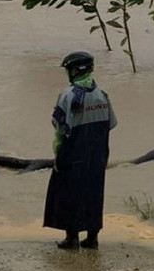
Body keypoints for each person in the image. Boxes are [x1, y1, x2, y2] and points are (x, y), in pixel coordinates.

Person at [44, 51, 117, 250]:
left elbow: (60, 128)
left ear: (75, 71)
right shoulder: (102, 94)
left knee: (69, 194)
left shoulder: (68, 95)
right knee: (94, 193)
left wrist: (58, 155)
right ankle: (92, 238)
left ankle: (72, 238)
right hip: (98, 153)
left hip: (74, 153)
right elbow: (111, 124)